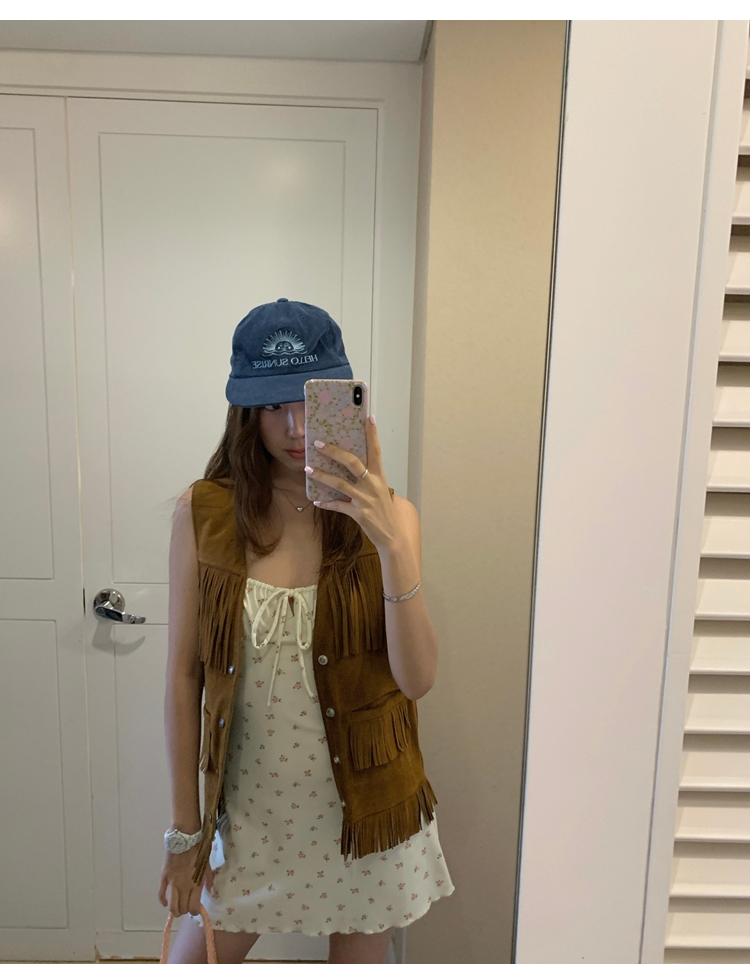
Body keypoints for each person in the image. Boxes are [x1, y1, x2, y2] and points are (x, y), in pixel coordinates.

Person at [158, 299, 454, 964]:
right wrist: (184, 834)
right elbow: (182, 677)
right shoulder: (204, 514)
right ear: (244, 411)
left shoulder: (393, 516)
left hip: (368, 818)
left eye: (308, 402)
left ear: (343, 402)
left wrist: (389, 542)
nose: (294, 427)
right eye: (271, 405)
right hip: (252, 820)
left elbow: (417, 680)